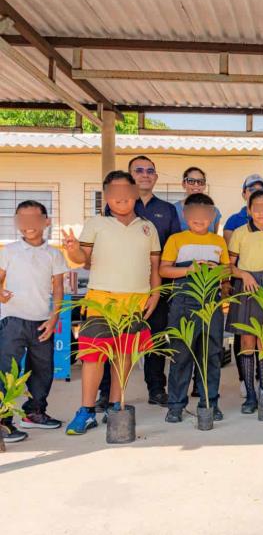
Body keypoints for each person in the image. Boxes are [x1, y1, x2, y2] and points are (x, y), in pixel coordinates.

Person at [63, 170, 161, 435]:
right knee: (93, 357)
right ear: (106, 196)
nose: (121, 198)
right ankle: (86, 411)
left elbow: (154, 267)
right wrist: (72, 247)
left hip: (135, 302)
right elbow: (82, 259)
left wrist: (155, 293)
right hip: (101, 301)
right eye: (114, 192)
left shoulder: (147, 227)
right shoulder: (96, 223)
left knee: (124, 357)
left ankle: (116, 405)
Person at [96, 156, 179, 410]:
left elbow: (173, 248)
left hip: (156, 288)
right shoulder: (113, 208)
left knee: (155, 340)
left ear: (155, 176)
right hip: (119, 289)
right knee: (113, 342)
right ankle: (105, 394)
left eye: (150, 170)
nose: (145, 174)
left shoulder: (167, 210)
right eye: (139, 171)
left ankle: (156, 389)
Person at [0, 200, 67, 444]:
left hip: (41, 320)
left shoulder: (54, 254)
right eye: (22, 218)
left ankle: (34, 412)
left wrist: (54, 318)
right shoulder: (9, 251)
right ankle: (3, 421)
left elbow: (58, 288)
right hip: (12, 320)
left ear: (46, 221)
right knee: (7, 372)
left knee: (43, 370)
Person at [160, 193, 229, 423]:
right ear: (185, 214)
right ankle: (176, 405)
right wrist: (189, 270)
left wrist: (216, 270)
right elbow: (163, 270)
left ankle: (210, 402)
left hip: (211, 304)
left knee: (211, 355)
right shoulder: (176, 239)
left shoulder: (219, 242)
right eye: (194, 214)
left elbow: (228, 271)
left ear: (212, 215)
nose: (200, 219)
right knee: (181, 355)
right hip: (183, 304)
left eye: (205, 214)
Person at [223, 174, 263, 398]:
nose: (261, 211)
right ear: (248, 209)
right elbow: (229, 266)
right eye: (256, 207)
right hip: (246, 287)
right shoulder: (239, 233)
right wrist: (244, 275)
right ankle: (250, 394)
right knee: (248, 339)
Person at [223, 174, 263, 242]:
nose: (257, 193)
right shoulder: (233, 221)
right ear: (244, 195)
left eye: (262, 190)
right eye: (252, 189)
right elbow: (230, 250)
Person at [173, 167, 222, 233]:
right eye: (191, 181)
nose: (196, 184)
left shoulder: (214, 211)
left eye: (200, 181)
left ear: (204, 186)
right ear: (184, 184)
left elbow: (214, 237)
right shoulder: (173, 210)